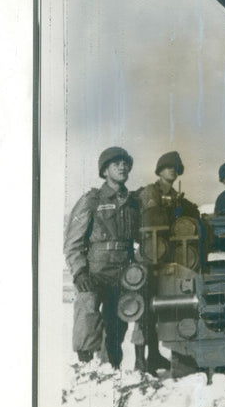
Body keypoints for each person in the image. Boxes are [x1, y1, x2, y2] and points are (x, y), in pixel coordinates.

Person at [64, 147, 139, 368]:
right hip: (95, 271)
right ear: (105, 171)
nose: (122, 167)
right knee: (87, 316)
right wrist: (78, 271)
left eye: (125, 163)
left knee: (117, 326)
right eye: (116, 164)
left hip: (124, 272)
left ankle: (110, 372)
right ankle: (85, 368)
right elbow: (73, 242)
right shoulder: (91, 200)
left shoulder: (133, 203)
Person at [134, 151, 199, 374]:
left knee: (163, 309)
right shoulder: (150, 192)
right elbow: (152, 217)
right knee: (145, 309)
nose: (172, 170)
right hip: (150, 258)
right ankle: (140, 361)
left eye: (175, 167)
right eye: (167, 167)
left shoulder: (175, 196)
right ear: (159, 171)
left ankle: (154, 357)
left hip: (168, 260)